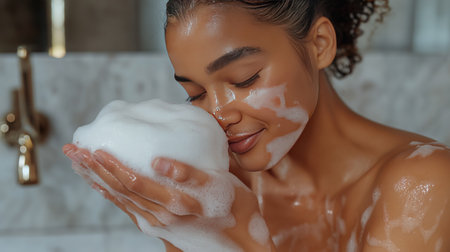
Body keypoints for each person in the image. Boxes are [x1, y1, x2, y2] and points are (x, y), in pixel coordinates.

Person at [63, 0, 450, 251]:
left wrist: (236, 243)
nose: (218, 113)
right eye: (195, 92)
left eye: (244, 79)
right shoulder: (213, 194)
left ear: (319, 44)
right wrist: (186, 235)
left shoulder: (422, 182)